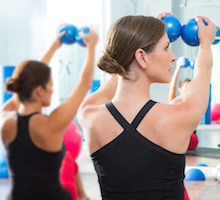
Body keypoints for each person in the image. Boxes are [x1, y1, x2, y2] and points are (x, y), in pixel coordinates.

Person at [78, 12, 216, 199]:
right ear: (142, 57)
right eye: (166, 47)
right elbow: (203, 72)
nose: (173, 57)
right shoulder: (180, 115)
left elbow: (118, 72)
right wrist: (206, 41)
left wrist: (138, 35)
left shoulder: (88, 116)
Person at [0, 26, 98, 200]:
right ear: (39, 90)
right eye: (50, 85)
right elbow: (85, 83)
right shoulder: (51, 124)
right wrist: (92, 46)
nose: (52, 91)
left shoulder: (5, 118)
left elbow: (26, 82)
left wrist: (54, 46)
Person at [168, 57, 199, 150]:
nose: (188, 88)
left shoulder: (193, 102)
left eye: (190, 86)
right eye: (186, 87)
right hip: (177, 138)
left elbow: (199, 84)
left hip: (190, 139)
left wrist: (198, 69)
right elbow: (172, 87)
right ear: (179, 89)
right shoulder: (175, 102)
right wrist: (177, 68)